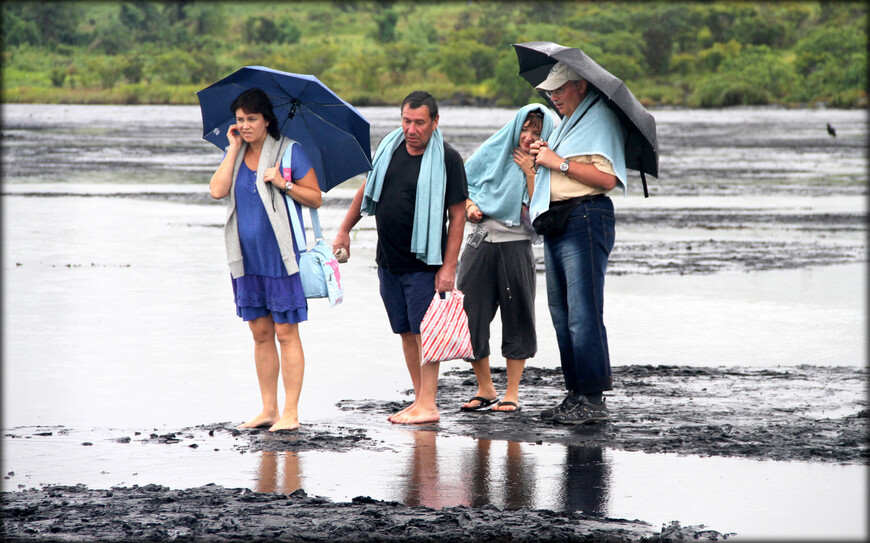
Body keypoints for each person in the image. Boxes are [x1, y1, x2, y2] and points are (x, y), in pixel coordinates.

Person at [332, 91, 468, 425]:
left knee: (425, 333)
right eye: (406, 121)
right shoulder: (389, 149)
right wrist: (344, 230)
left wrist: (449, 267)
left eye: (419, 122)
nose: (411, 129)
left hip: (424, 263)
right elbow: (367, 189)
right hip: (389, 261)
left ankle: (429, 404)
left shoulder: (448, 159)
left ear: (435, 122)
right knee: (406, 331)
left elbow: (458, 215)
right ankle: (420, 399)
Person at [209, 87, 322, 432]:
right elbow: (217, 190)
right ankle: (268, 409)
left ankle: (291, 412)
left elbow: (315, 198)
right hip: (246, 259)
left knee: (286, 332)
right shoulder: (238, 151)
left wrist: (283, 184)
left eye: (251, 119)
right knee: (260, 333)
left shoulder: (289, 152)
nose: (244, 125)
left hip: (280, 258)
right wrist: (232, 150)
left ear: (266, 120)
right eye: (240, 119)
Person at [528, 61, 627, 424]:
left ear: (581, 86)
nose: (553, 97)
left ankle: (594, 399)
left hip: (586, 217)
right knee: (562, 314)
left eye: (560, 89)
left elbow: (608, 179)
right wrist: (546, 155)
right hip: (561, 219)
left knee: (583, 313)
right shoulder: (571, 122)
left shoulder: (600, 118)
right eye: (549, 91)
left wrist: (560, 163)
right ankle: (576, 393)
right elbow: (556, 166)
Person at [456, 104, 554, 413]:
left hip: (517, 246)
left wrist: (530, 172)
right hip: (479, 243)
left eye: (536, 132)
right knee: (470, 315)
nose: (527, 137)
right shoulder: (494, 148)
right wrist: (471, 207)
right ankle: (485, 387)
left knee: (518, 317)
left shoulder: (548, 161)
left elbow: (542, 210)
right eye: (524, 130)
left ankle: (512, 392)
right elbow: (462, 186)